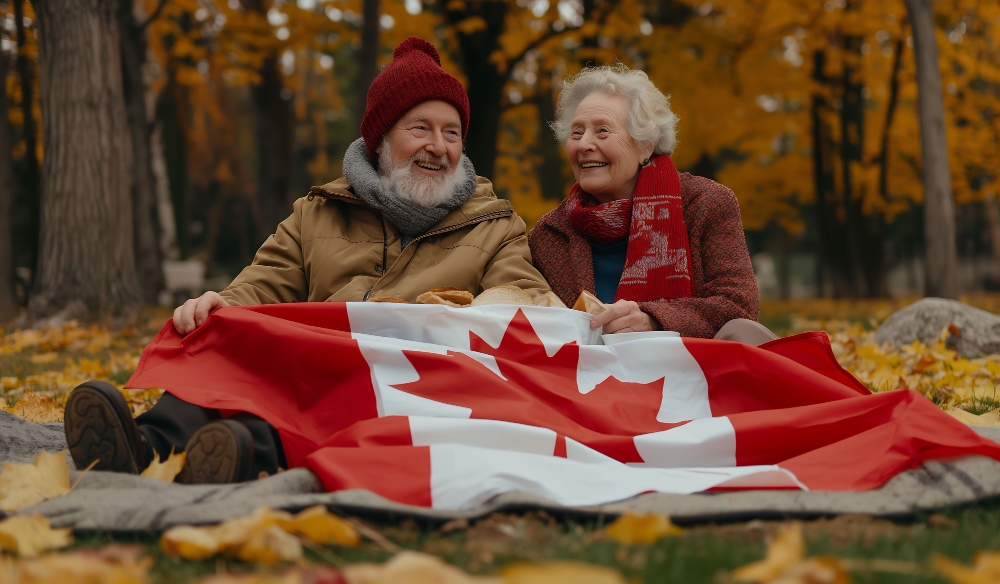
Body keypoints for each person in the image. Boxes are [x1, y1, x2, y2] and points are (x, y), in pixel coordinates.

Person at [64, 36, 551, 484]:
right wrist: (223, 303)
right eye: (420, 128)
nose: (438, 147)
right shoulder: (317, 212)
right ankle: (147, 444)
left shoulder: (497, 224)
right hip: (316, 361)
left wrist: (460, 312)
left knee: (297, 404)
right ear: (381, 139)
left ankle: (242, 453)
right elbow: (266, 281)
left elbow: (519, 299)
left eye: (452, 133)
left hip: (413, 378)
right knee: (223, 327)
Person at [528, 64, 774, 343]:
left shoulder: (706, 204)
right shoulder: (548, 234)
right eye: (576, 133)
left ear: (646, 145)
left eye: (603, 131)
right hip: (590, 379)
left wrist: (653, 319)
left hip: (696, 375)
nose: (584, 144)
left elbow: (738, 307)